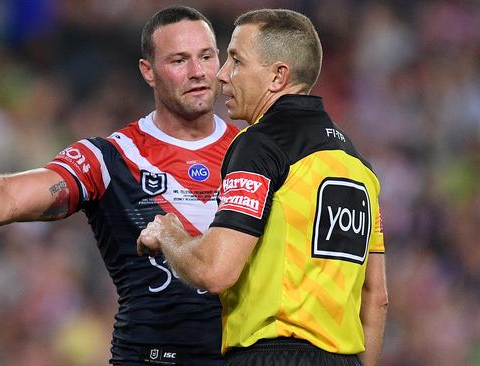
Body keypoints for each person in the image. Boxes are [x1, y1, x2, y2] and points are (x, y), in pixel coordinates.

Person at [0, 6, 238, 366]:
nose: (197, 72)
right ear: (148, 71)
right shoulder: (110, 157)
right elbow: (8, 197)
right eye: (178, 61)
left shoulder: (257, 155)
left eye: (206, 57)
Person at [137, 9, 388, 366]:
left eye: (236, 61)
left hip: (270, 354)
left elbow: (215, 271)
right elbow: (376, 297)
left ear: (277, 76)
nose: (222, 75)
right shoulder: (359, 166)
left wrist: (168, 234)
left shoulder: (259, 144)